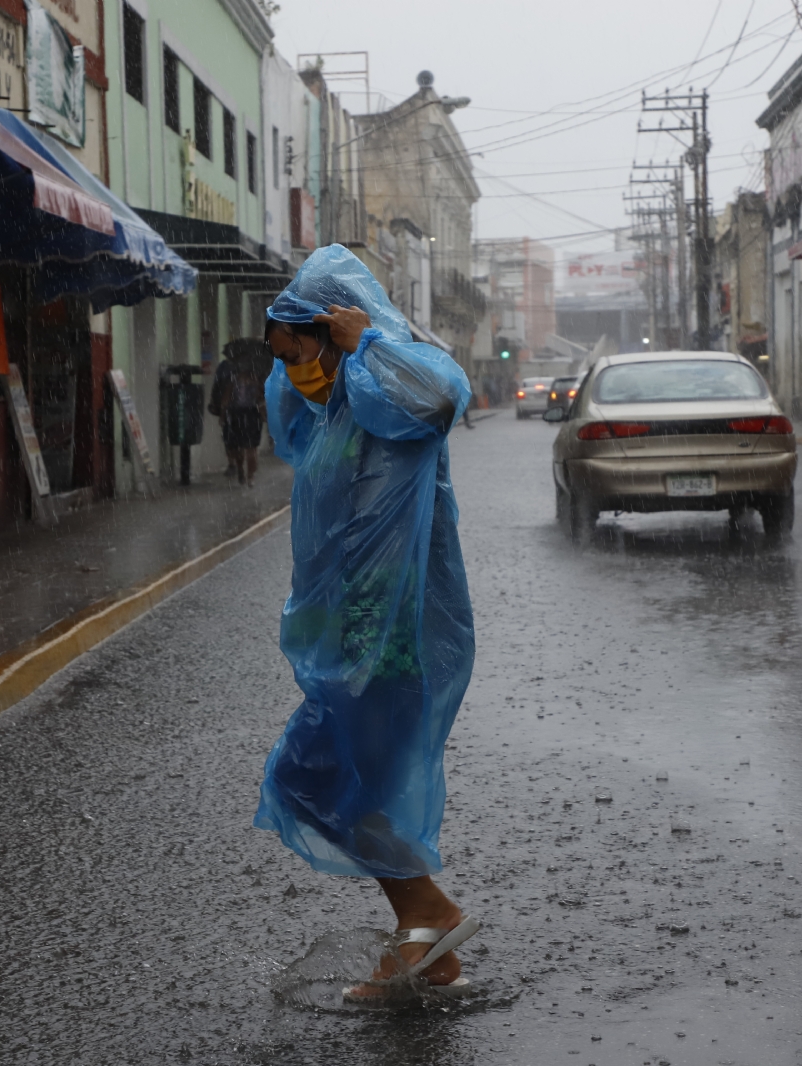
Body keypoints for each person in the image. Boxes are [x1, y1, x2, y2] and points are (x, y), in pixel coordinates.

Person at [254, 245, 479, 997]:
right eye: (282, 357)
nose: (294, 370)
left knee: (322, 777)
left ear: (337, 329)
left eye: (301, 352)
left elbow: (442, 400)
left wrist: (368, 341)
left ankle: (431, 920)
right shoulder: (333, 409)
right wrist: (302, 359)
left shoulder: (394, 377)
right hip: (348, 633)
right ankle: (425, 939)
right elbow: (289, 421)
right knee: (337, 780)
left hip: (394, 636)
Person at [212, 339, 266, 485]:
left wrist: (223, 415)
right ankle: (247, 474)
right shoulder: (239, 380)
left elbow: (226, 399)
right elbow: (226, 398)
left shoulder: (248, 380)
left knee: (246, 447)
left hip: (241, 414)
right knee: (247, 447)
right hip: (244, 415)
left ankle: (247, 475)